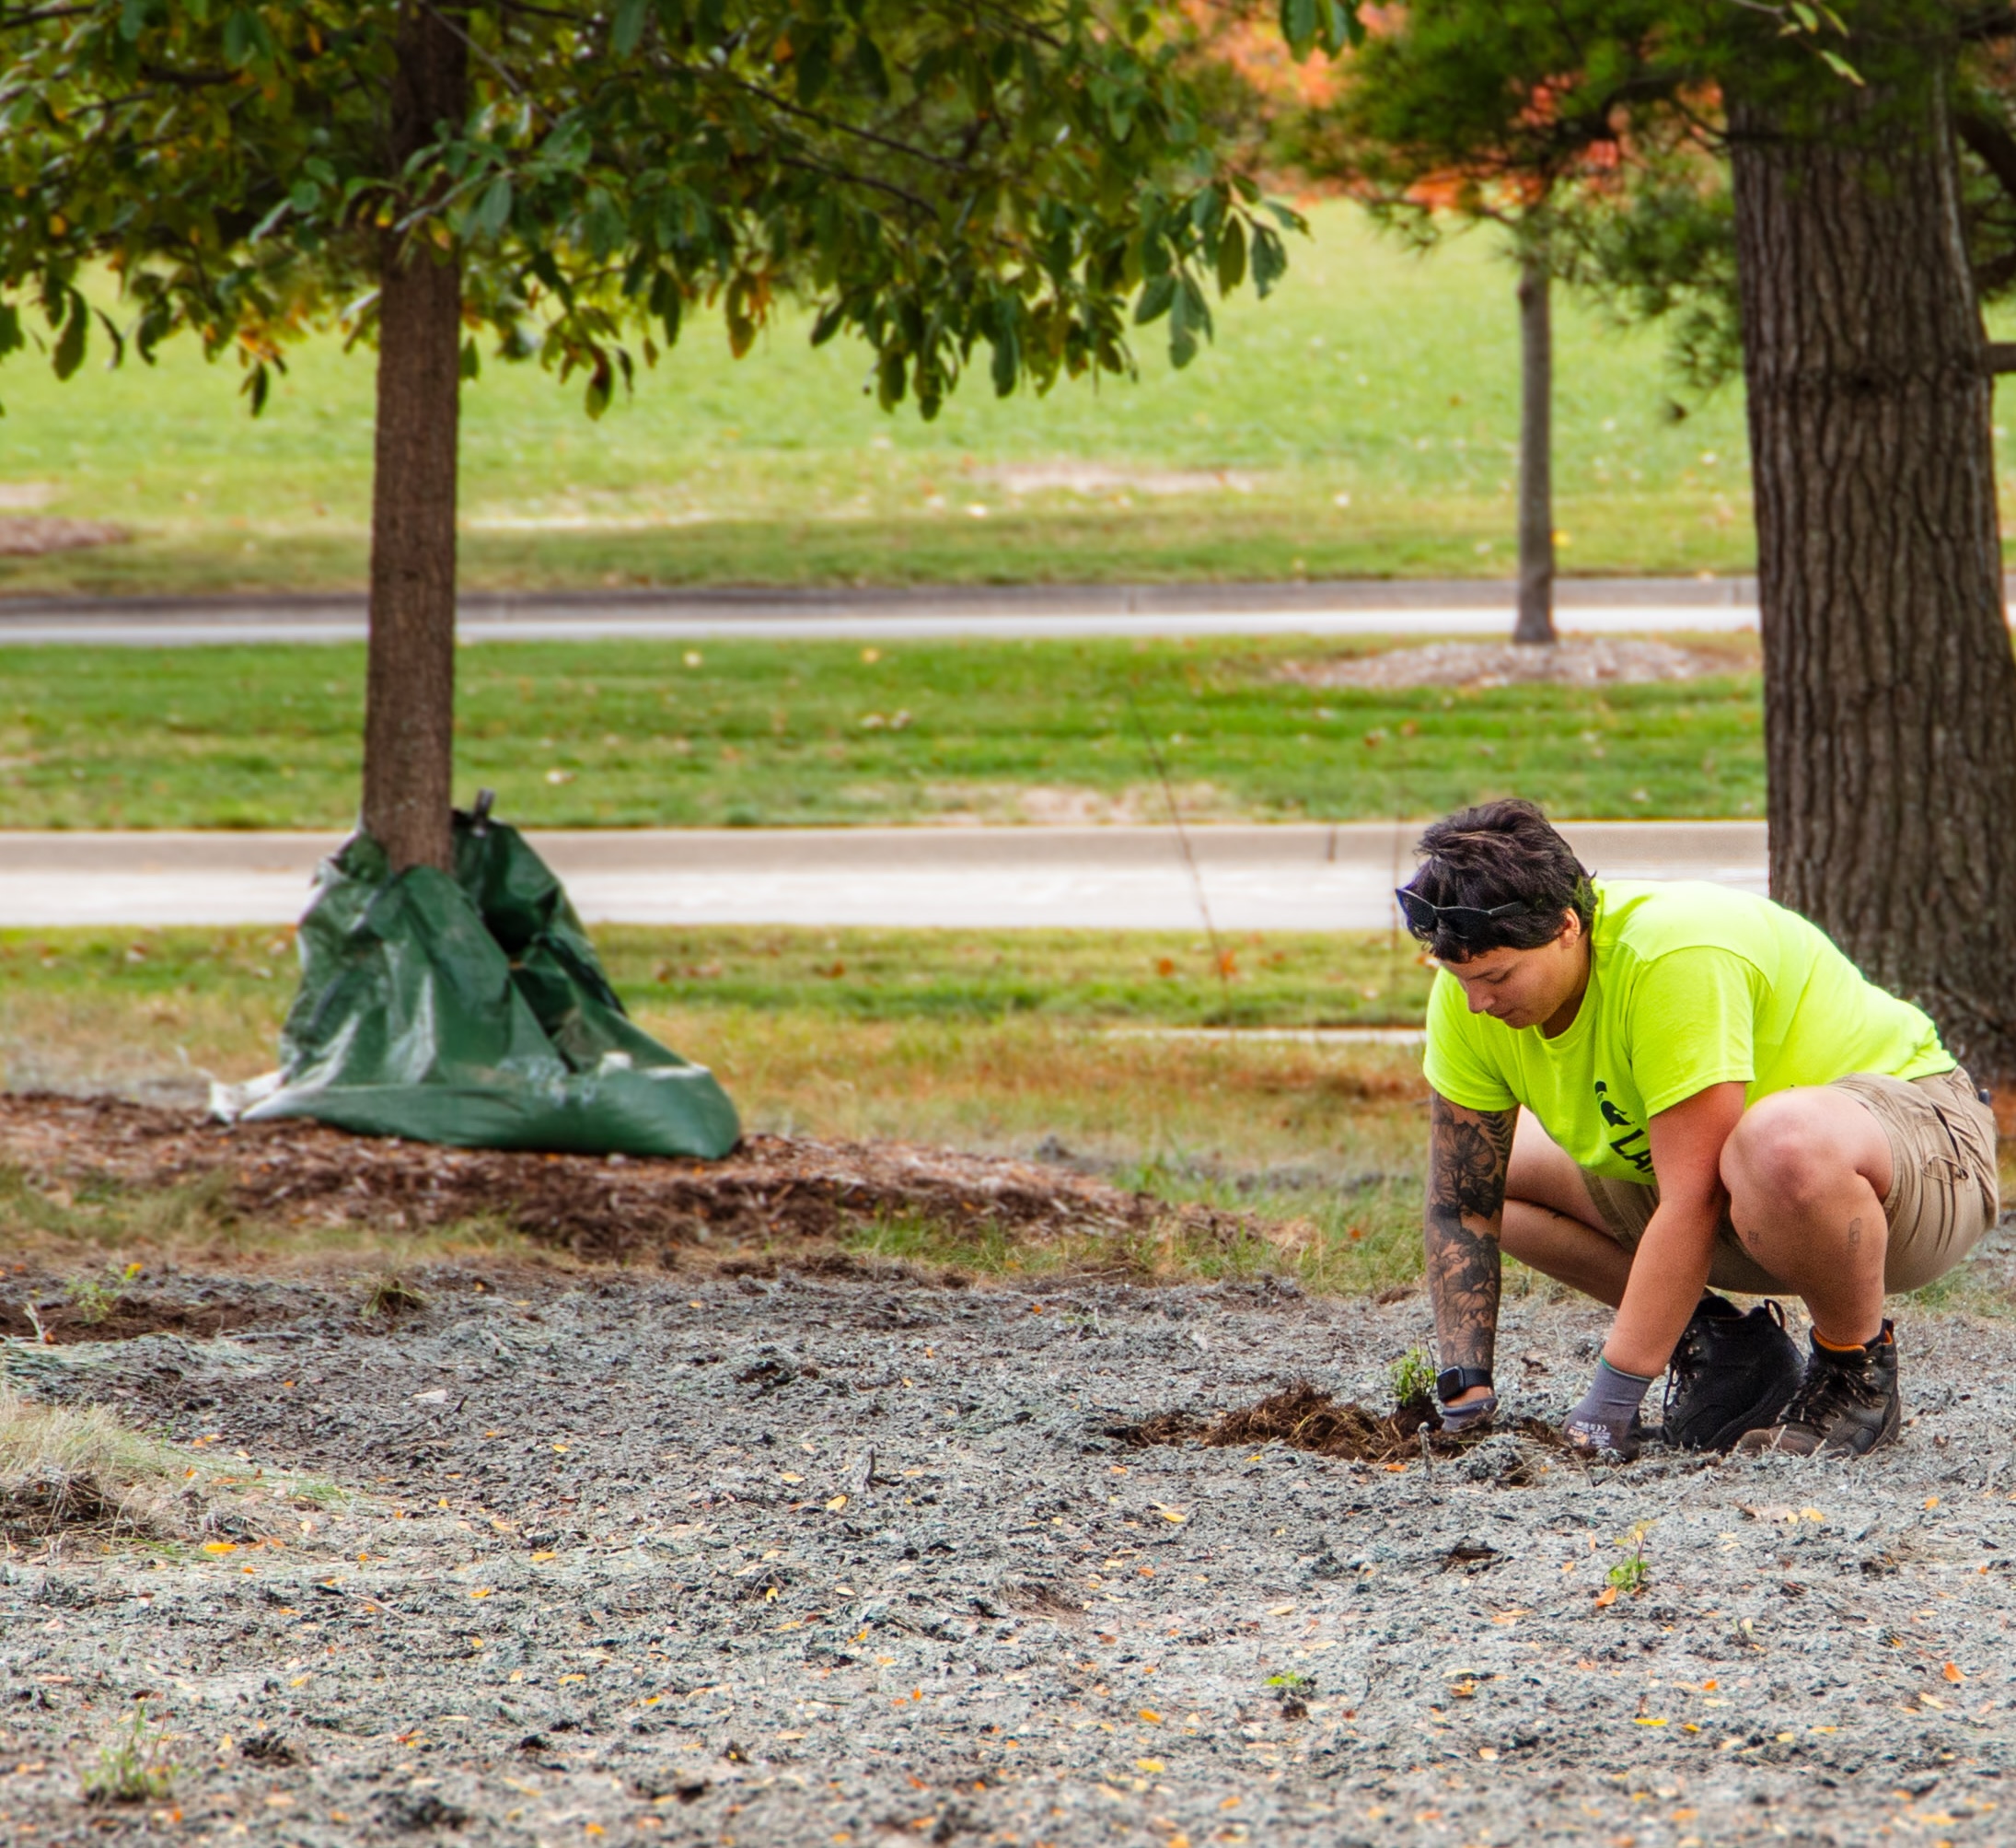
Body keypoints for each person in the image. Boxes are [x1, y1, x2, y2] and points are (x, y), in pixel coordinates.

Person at [1402, 799, 1999, 1459]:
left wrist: (1607, 1409)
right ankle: (1727, 1350)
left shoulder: (1672, 957)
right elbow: (1462, 1206)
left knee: (1778, 1142)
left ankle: (1853, 1371)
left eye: (1497, 976)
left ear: (1568, 926)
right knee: (1495, 1179)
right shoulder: (1470, 998)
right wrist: (1466, 1398)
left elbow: (1693, 1198)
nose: (1477, 1002)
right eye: (1459, 979)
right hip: (1749, 1194)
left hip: (1917, 1163)